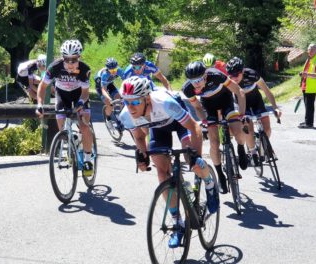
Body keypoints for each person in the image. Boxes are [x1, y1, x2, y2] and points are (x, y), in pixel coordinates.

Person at [118, 76, 219, 248]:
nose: (130, 107)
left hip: (180, 123)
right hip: (158, 129)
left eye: (135, 102)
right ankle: (178, 224)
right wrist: (142, 156)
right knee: (162, 174)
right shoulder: (126, 115)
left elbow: (194, 127)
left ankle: (209, 184)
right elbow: (140, 136)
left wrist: (196, 156)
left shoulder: (165, 103)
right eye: (126, 102)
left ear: (147, 99)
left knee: (193, 161)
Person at [182, 61, 248, 194]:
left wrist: (242, 114)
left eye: (199, 79)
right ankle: (220, 175)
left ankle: (241, 148)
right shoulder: (188, 89)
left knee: (237, 130)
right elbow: (198, 108)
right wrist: (204, 121)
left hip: (226, 101)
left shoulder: (216, 75)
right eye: (193, 80)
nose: (196, 83)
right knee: (214, 142)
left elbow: (239, 91)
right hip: (209, 107)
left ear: (205, 75)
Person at [35, 39, 94, 176]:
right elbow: (42, 87)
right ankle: (68, 143)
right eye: (67, 59)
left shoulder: (84, 69)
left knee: (84, 126)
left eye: (74, 60)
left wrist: (80, 103)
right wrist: (39, 104)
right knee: (61, 125)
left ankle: (87, 159)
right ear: (63, 58)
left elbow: (85, 93)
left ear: (79, 57)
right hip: (62, 95)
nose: (70, 63)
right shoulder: (54, 67)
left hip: (79, 95)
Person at [226, 57, 282, 166]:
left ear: (242, 71)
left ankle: (262, 148)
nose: (233, 78)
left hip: (256, 100)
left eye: (236, 74)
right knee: (248, 128)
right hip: (242, 104)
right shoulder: (230, 81)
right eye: (230, 75)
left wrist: (275, 107)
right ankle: (252, 152)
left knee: (267, 129)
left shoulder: (252, 74)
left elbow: (266, 90)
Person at [298, 43, 316, 129]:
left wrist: (306, 74)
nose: (310, 51)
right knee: (307, 104)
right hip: (306, 85)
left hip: (311, 87)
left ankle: (309, 123)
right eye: (309, 49)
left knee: (309, 105)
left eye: (312, 49)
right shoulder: (310, 59)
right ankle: (307, 121)